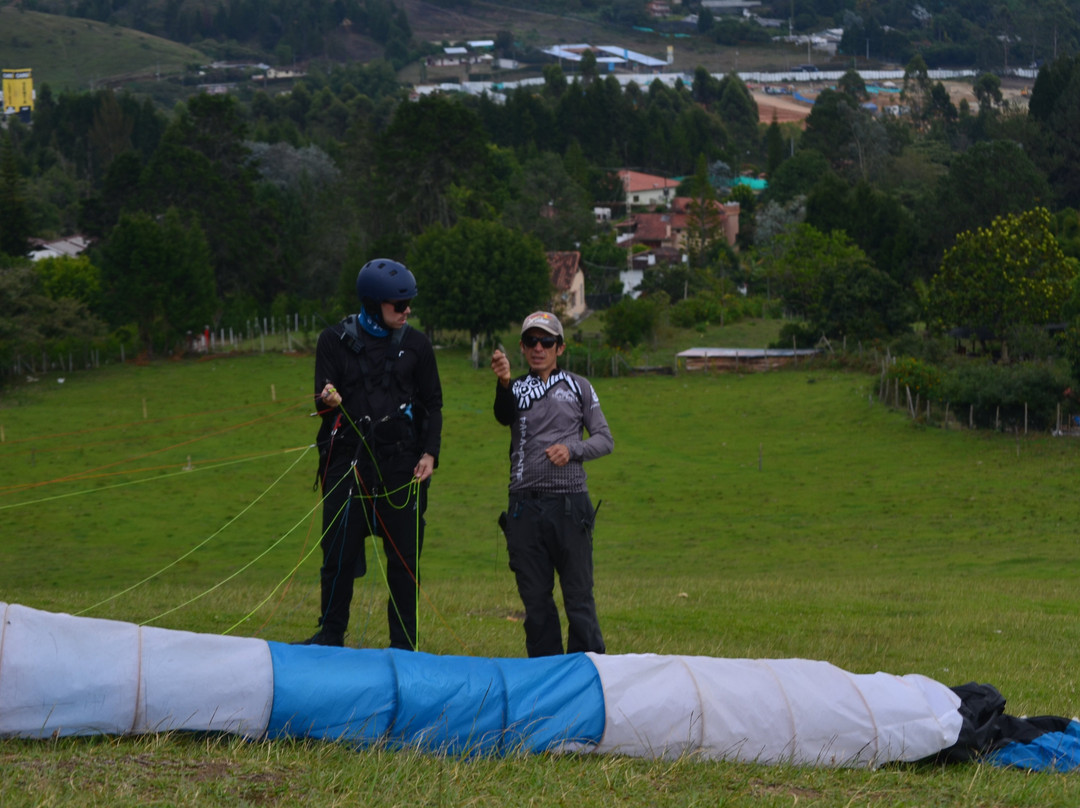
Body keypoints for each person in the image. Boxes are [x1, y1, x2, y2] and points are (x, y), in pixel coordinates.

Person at [301, 258, 442, 650]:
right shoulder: (334, 340)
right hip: (347, 463)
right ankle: (330, 636)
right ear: (372, 303)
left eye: (409, 303)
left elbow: (433, 404)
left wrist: (430, 453)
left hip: (402, 466)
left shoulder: (417, 345)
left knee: (404, 561)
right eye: (399, 305)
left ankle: (404, 645)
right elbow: (322, 397)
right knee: (338, 555)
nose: (407, 311)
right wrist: (327, 397)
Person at [490, 311, 613, 657]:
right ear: (523, 347)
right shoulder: (514, 388)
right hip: (524, 507)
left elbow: (605, 439)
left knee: (578, 597)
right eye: (531, 341)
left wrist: (573, 450)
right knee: (536, 602)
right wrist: (502, 382)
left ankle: (590, 674)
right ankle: (545, 681)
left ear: (560, 347)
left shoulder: (579, 386)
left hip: (570, 505)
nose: (538, 348)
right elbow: (503, 416)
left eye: (546, 342)